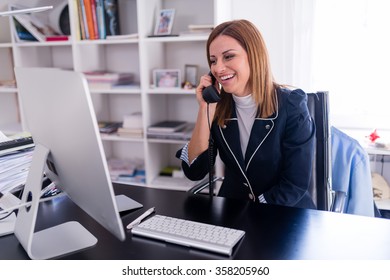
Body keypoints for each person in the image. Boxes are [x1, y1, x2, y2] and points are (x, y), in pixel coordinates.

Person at [176, 19, 316, 209]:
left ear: (254, 56)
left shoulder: (290, 105)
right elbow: (194, 171)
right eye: (213, 61)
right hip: (235, 212)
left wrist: (255, 211)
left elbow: (295, 184)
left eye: (228, 57)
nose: (218, 68)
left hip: (282, 213)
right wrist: (205, 109)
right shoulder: (218, 106)